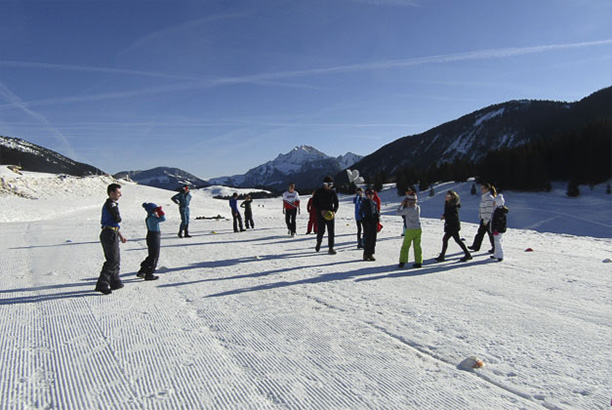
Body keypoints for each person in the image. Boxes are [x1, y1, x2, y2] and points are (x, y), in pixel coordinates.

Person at [95, 183, 127, 295]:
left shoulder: (112, 204)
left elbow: (115, 223)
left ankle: (115, 281)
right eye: (118, 193)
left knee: (116, 258)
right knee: (112, 259)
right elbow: (116, 218)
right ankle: (102, 283)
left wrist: (120, 234)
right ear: (111, 193)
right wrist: (117, 216)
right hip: (109, 233)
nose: (120, 195)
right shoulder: (111, 204)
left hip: (112, 231)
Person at [435, 190, 472, 262]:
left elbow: (454, 216)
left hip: (453, 225)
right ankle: (467, 254)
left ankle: (467, 254)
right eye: (446, 195)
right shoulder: (448, 203)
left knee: (449, 239)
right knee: (453, 240)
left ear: (452, 197)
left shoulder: (454, 205)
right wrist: (445, 216)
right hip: (450, 225)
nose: (446, 197)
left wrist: (445, 216)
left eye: (448, 196)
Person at [137, 203, 164, 280]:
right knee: (154, 256)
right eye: (155, 210)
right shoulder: (152, 218)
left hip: (152, 236)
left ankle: (143, 270)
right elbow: (163, 219)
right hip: (154, 237)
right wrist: (160, 211)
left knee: (151, 255)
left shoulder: (150, 217)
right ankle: (149, 273)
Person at [312, 176, 339, 254]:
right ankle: (319, 242)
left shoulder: (333, 192)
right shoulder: (318, 192)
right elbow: (314, 203)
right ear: (324, 184)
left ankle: (331, 247)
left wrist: (334, 211)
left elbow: (336, 203)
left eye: (331, 184)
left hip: (330, 214)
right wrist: (320, 210)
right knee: (321, 231)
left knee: (331, 231)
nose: (330, 185)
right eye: (329, 184)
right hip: (321, 214)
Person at [396, 192, 423, 268]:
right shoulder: (417, 208)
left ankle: (402, 261)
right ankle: (418, 261)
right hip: (418, 229)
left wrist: (401, 205)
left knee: (405, 246)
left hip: (410, 229)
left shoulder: (407, 210)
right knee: (417, 246)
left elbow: (398, 213)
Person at [469, 183, 496, 253]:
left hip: (488, 219)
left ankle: (495, 248)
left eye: (483, 188)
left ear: (487, 189)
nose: (481, 190)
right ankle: (476, 246)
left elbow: (489, 210)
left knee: (490, 234)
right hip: (484, 218)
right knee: (480, 233)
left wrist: (486, 220)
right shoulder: (484, 197)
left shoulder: (489, 198)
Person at [360, 189, 380, 261]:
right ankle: (366, 253)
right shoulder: (364, 202)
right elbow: (360, 212)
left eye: (372, 194)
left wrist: (377, 218)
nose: (371, 196)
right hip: (367, 220)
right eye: (370, 194)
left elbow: (376, 211)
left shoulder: (374, 202)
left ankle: (371, 253)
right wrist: (363, 220)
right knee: (368, 237)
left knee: (373, 238)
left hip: (373, 221)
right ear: (367, 195)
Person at [490, 194, 508, 262]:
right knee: (496, 242)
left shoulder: (499, 211)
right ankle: (496, 254)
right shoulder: (498, 210)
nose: (493, 203)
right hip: (497, 229)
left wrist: (496, 229)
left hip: (498, 230)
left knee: (498, 242)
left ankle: (500, 255)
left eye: (494, 202)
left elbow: (499, 222)